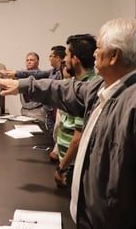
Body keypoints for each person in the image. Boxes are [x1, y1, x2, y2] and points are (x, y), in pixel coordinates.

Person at [0, 18, 136, 228]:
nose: (94, 53)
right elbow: (64, 90)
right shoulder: (104, 89)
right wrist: (23, 85)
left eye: (99, 48)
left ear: (114, 55)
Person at [53, 34, 99, 188]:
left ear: (75, 59)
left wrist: (62, 167)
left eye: (66, 55)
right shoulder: (73, 83)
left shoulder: (90, 89)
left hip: (73, 166)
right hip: (65, 160)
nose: (64, 61)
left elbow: (78, 138)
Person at [18, 52, 48, 133]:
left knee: (37, 136)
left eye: (31, 60)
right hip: (24, 111)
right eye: (27, 60)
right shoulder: (22, 75)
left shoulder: (42, 76)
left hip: (37, 111)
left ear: (37, 62)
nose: (29, 62)